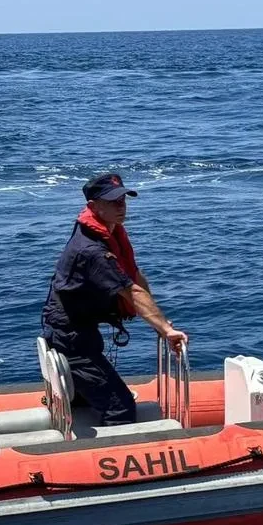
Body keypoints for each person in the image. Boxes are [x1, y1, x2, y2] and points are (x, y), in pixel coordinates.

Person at [41, 173, 188, 426]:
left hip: (78, 331)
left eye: (123, 199)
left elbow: (134, 276)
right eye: (112, 202)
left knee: (88, 401)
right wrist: (165, 330)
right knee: (120, 407)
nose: (121, 206)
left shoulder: (106, 234)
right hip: (72, 340)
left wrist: (160, 322)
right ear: (93, 207)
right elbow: (131, 291)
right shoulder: (91, 251)